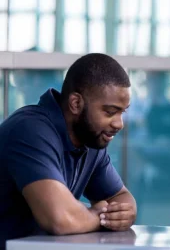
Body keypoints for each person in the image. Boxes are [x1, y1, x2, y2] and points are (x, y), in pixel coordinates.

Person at [0, 53, 137, 246]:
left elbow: (122, 199)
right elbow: (60, 219)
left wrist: (122, 214)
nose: (119, 123)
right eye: (110, 112)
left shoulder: (91, 138)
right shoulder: (30, 130)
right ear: (76, 103)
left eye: (122, 112)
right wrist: (98, 216)